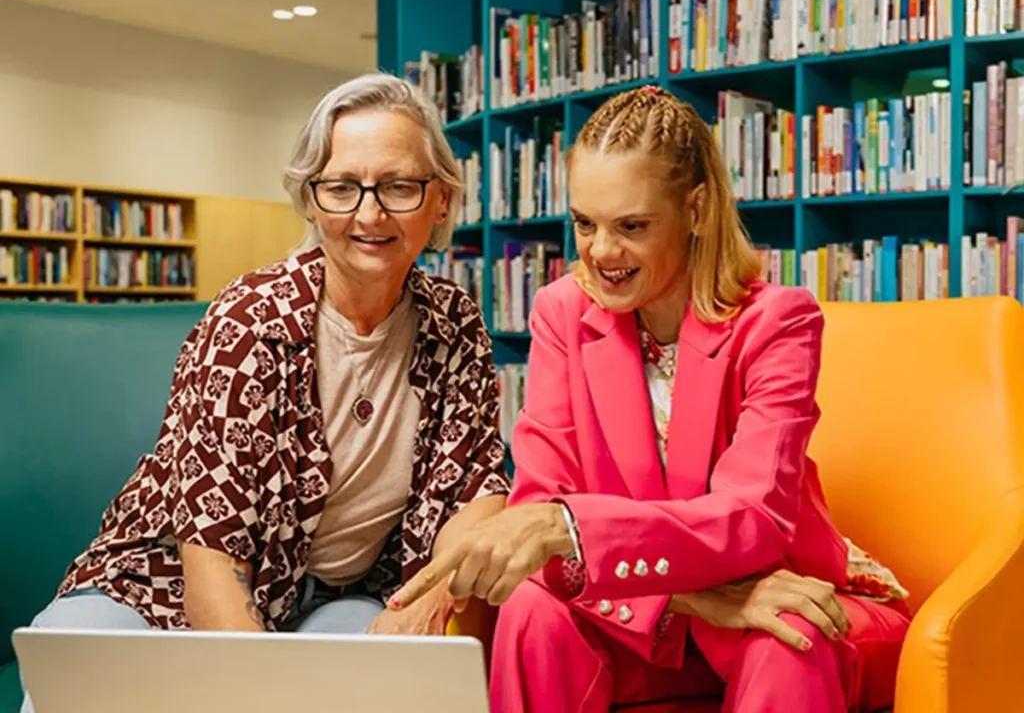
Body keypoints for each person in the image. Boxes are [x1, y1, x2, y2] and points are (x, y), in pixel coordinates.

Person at [390, 85, 911, 712]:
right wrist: (690, 597)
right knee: (531, 609)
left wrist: (569, 528)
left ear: (695, 209)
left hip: (776, 594)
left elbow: (755, 519)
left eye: (632, 226)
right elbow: (541, 509)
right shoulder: (561, 312)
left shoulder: (779, 322)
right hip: (649, 616)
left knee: (793, 638)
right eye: (585, 223)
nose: (602, 252)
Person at [18, 73, 511, 712]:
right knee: (73, 689)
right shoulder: (247, 323)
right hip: (161, 588)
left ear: (441, 201)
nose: (369, 214)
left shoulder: (454, 322)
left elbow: (473, 492)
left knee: (389, 693)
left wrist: (429, 597)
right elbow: (211, 574)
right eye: (341, 188)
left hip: (336, 596)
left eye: (398, 186)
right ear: (310, 201)